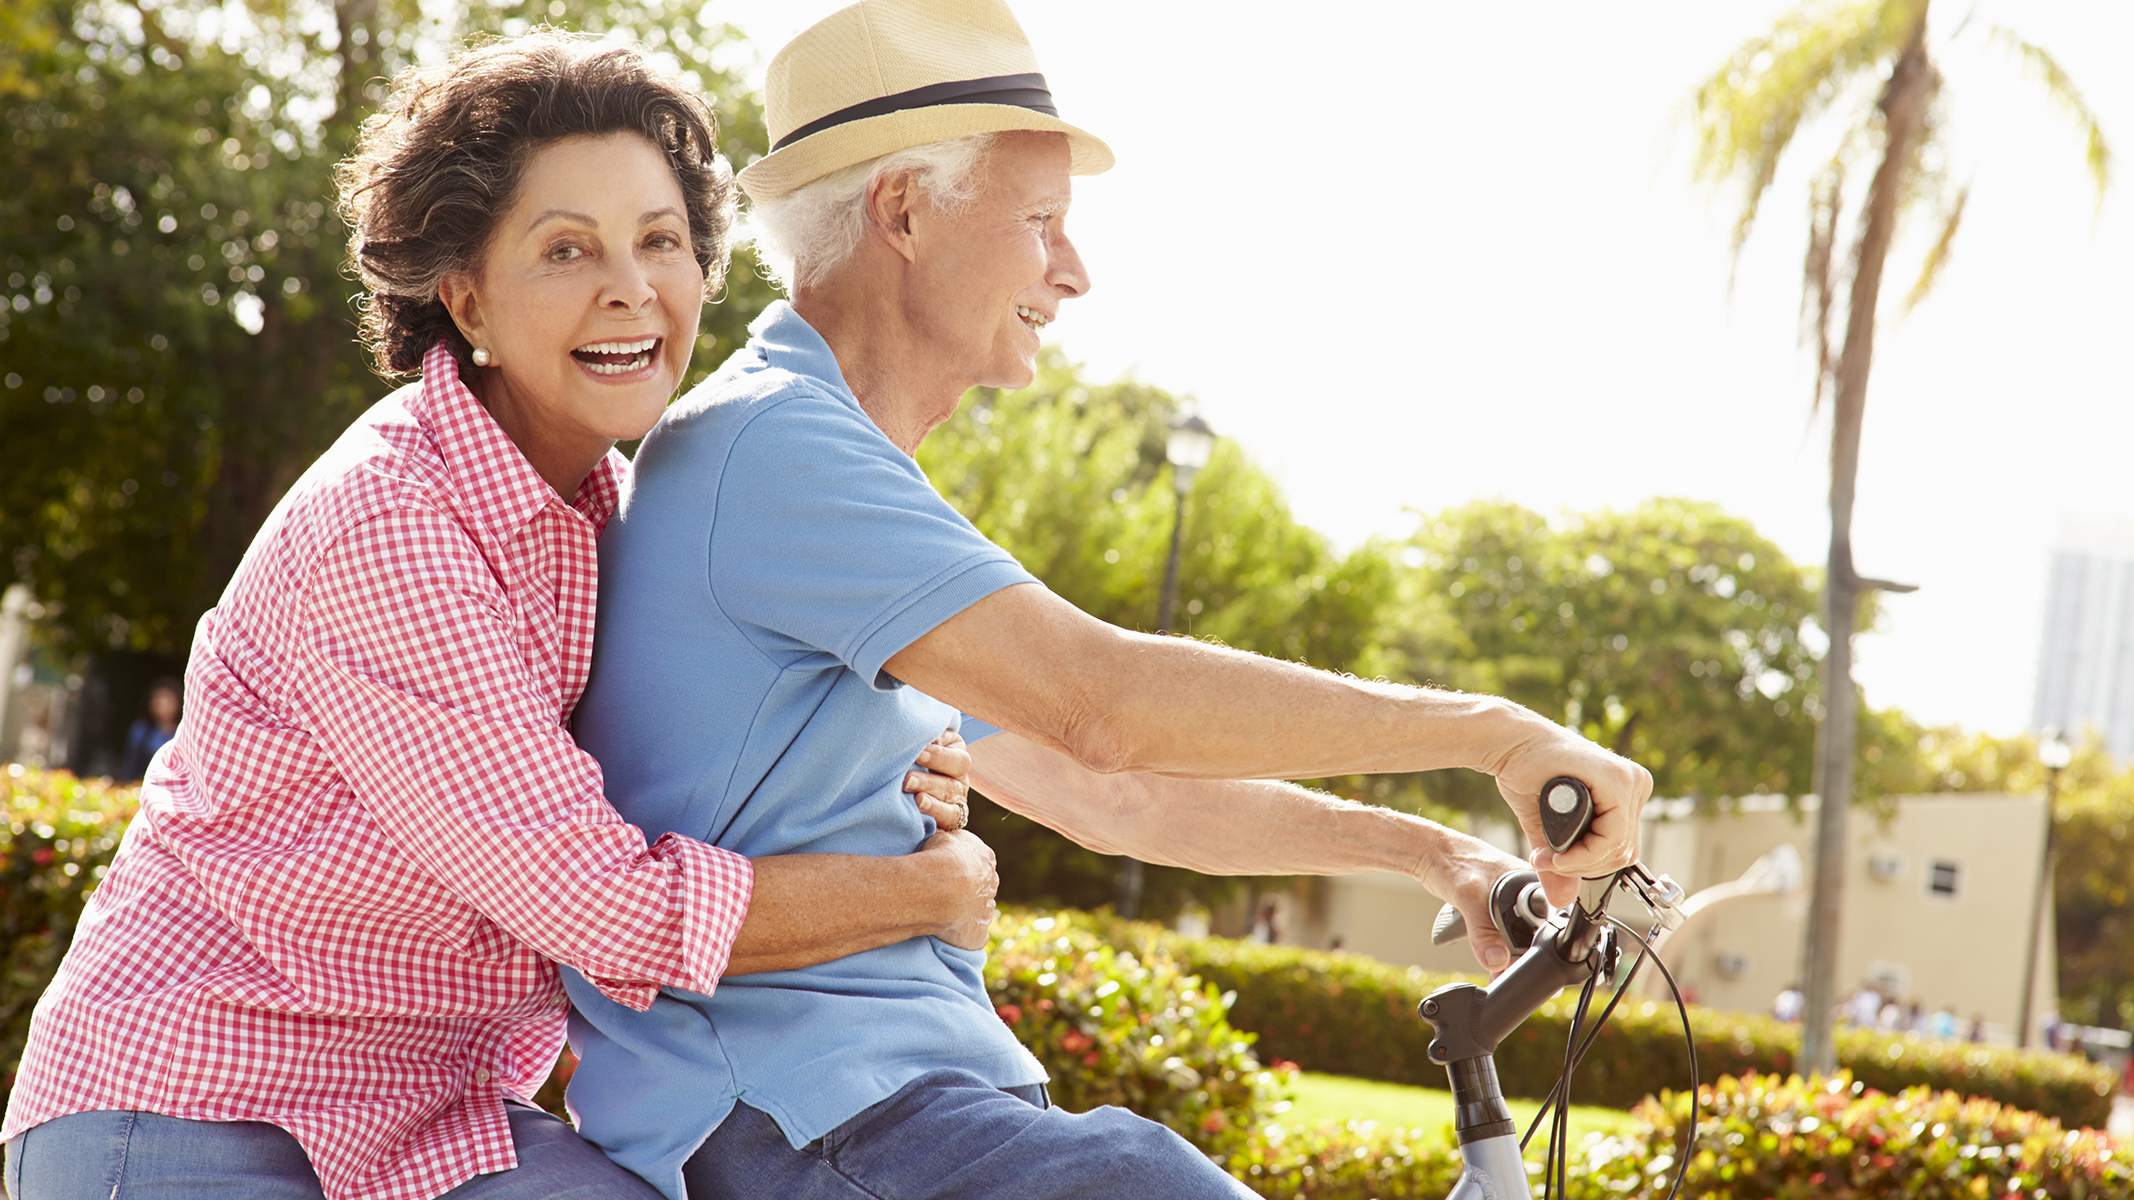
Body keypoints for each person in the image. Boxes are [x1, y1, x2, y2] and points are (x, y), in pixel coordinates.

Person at [558, 2, 1653, 1197]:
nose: (1074, 272)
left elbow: (1107, 789)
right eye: (1041, 223)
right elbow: (1106, 707)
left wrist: (1429, 850)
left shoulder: (829, 469)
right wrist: (1489, 733)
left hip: (883, 1105)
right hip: (796, 1114)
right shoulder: (776, 451)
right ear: (903, 211)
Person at [0, 34, 999, 1200]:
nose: (629, 285)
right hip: (191, 1104)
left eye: (660, 240)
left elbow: (735, 755)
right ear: (466, 296)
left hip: (435, 1118)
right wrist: (929, 891)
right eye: (566, 248)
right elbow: (607, 906)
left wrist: (894, 776)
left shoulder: (613, 514)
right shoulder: (393, 522)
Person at [116, 676, 181, 781]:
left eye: (167, 699)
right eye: (157, 699)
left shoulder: (185, 733)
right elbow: (131, 766)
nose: (161, 704)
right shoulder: (141, 730)